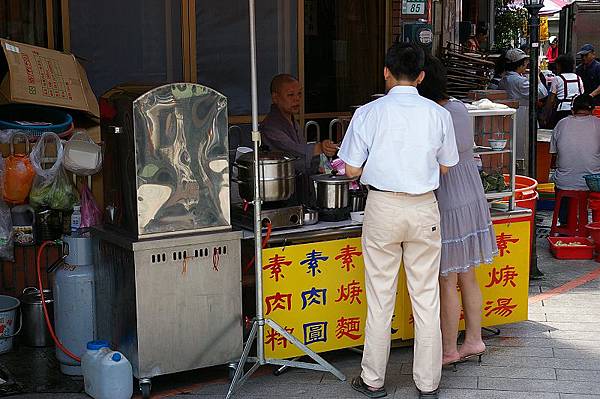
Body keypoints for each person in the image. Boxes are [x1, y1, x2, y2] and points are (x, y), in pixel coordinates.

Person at [339, 42, 459, 399]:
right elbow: (447, 164)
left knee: (380, 298)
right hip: (424, 208)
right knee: (426, 298)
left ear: (386, 72)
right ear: (421, 76)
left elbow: (351, 169)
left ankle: (373, 380)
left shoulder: (368, 113)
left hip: (382, 208)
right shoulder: (439, 114)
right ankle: (428, 384)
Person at [417, 55, 498, 368]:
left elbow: (434, 163)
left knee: (447, 280)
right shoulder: (459, 108)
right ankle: (474, 339)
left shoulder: (433, 114)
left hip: (448, 198)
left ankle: (449, 349)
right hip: (471, 193)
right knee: (468, 276)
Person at [259, 74, 337, 204]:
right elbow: (293, 151)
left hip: (299, 190)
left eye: (299, 94)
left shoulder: (291, 120)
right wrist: (320, 148)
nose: (297, 99)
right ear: (275, 97)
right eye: (290, 95)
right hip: (280, 193)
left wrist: (321, 163)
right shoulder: (270, 126)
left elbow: (304, 158)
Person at [550, 94, 600, 223]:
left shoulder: (561, 124)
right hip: (592, 184)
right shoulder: (598, 124)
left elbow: (554, 156)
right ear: (593, 110)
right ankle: (594, 224)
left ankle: (565, 224)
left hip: (564, 182)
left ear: (573, 110)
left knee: (561, 182)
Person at [498, 48, 548, 172]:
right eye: (525, 63)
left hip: (512, 118)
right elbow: (542, 92)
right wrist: (536, 77)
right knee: (522, 151)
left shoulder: (506, 79)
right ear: (519, 64)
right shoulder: (518, 81)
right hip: (522, 117)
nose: (526, 65)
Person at [542, 54, 584, 128]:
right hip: (576, 110)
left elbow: (551, 100)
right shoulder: (578, 78)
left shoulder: (557, 79)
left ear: (560, 66)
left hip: (562, 110)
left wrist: (545, 116)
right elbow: (582, 95)